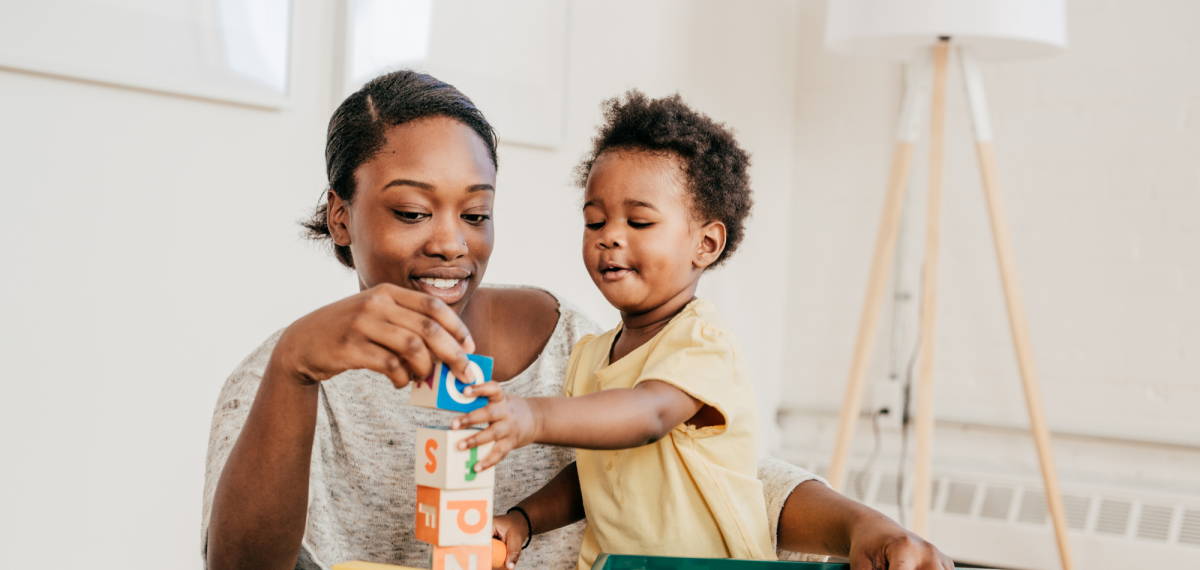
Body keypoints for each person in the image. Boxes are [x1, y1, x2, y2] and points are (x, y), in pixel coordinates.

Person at [202, 70, 955, 570]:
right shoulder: (286, 378)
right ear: (341, 217)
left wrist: (865, 527)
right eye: (409, 210)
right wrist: (297, 366)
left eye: (477, 212)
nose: (449, 241)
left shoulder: (581, 343)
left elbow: (712, 476)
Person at [451, 90, 775, 568]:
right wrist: (523, 518)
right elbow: (595, 475)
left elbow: (648, 416)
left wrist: (534, 417)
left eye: (639, 221)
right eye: (594, 220)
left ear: (705, 243)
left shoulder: (702, 342)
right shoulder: (591, 357)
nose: (610, 235)